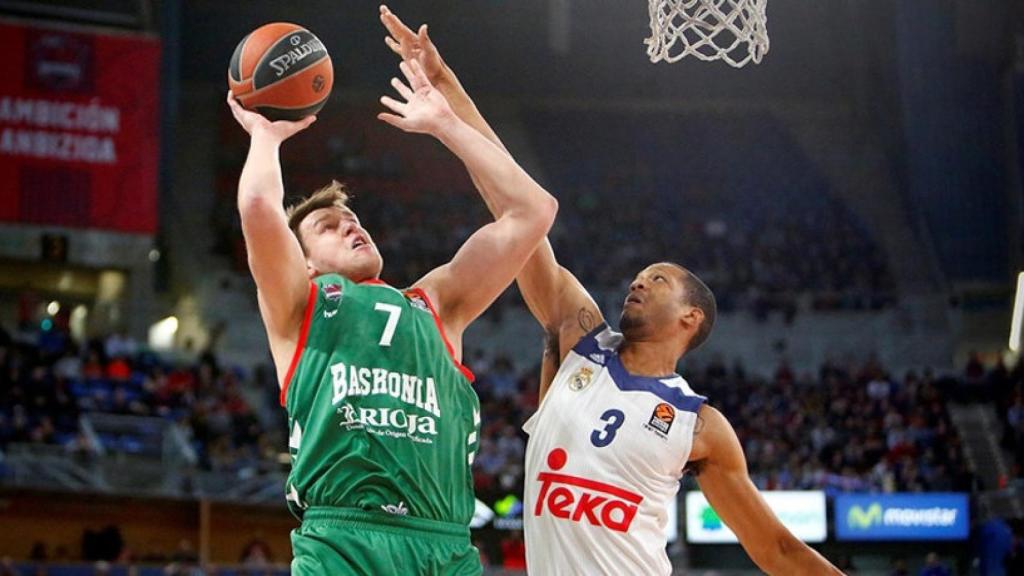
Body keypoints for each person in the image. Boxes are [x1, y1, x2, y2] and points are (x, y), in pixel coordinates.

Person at [379, 7, 842, 574]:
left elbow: (775, 549)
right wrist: (447, 87)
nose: (639, 281)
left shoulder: (700, 425)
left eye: (660, 279)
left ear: (691, 318)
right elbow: (515, 212)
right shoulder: (581, 339)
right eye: (640, 274)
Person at [227, 11, 558, 574]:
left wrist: (445, 124)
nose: (351, 225)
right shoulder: (300, 305)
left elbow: (533, 211)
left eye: (352, 217)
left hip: (445, 545)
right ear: (304, 264)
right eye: (328, 227)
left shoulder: (437, 304)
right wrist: (265, 135)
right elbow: (259, 209)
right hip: (343, 541)